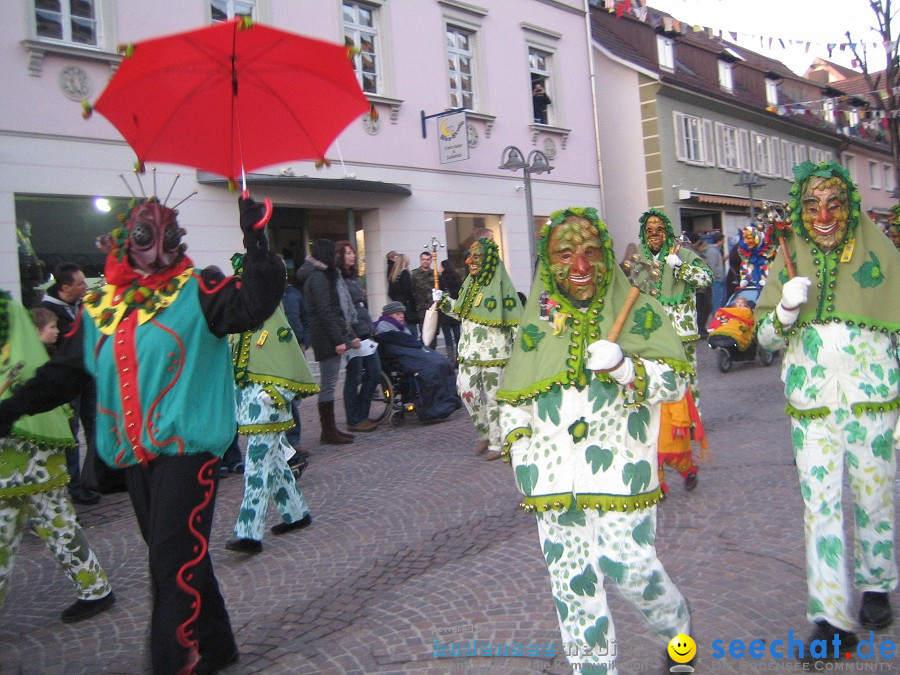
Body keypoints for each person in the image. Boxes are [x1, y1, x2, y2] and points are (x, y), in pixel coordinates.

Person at [0, 193, 284, 673]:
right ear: (125, 240)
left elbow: (253, 305)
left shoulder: (199, 289)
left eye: (169, 235)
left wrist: (257, 243)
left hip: (188, 451)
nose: (159, 248)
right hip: (135, 457)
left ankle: (175, 662)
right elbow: (64, 375)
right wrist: (8, 410)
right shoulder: (100, 308)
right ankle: (219, 646)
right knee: (177, 553)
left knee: (170, 564)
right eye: (145, 235)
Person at [496, 207, 691, 672]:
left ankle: (677, 629)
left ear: (604, 256)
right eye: (566, 255)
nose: (579, 268)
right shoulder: (538, 321)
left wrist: (629, 368)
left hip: (622, 465)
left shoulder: (638, 309)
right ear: (550, 262)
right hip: (551, 476)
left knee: (630, 565)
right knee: (572, 582)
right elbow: (512, 395)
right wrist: (521, 448)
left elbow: (677, 381)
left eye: (588, 254)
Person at [756, 160, 900, 659]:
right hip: (811, 406)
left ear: (849, 207)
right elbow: (764, 338)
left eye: (834, 204)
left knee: (875, 497)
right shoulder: (787, 255)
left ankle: (878, 584)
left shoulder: (880, 252)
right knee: (820, 509)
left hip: (875, 401)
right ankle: (831, 619)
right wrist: (784, 310)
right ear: (800, 209)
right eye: (813, 205)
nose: (823, 215)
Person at [0, 293, 115, 624]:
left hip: (23, 441)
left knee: (47, 520)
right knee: (46, 520)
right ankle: (95, 588)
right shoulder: (14, 318)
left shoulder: (9, 318)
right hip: (24, 442)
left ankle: (96, 589)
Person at [226, 255, 319, 554]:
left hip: (268, 403)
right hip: (251, 404)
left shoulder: (274, 321)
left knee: (256, 466)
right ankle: (296, 513)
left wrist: (278, 391)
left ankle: (249, 532)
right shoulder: (243, 321)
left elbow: (287, 359)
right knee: (274, 461)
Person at [635, 209, 711, 493]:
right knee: (653, 393)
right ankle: (658, 464)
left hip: (681, 334)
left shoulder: (684, 255)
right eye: (649, 232)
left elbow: (705, 280)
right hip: (651, 336)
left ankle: (687, 447)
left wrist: (680, 266)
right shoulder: (641, 261)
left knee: (684, 391)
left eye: (659, 231)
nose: (654, 237)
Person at [434, 237, 522, 460]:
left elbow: (515, 318)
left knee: (493, 398)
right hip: (469, 350)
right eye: (469, 256)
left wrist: (523, 350)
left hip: (496, 353)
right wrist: (443, 301)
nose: (469, 260)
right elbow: (461, 311)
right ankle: (483, 430)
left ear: (489, 259)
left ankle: (497, 441)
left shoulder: (501, 285)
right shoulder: (469, 284)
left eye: (476, 256)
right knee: (466, 391)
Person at [41, 262, 101, 506]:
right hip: (68, 382)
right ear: (65, 287)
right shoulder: (47, 311)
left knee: (95, 427)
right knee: (71, 435)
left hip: (88, 376)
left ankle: (94, 478)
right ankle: (74, 486)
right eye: (80, 284)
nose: (86, 286)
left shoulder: (81, 305)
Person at [296, 239, 359, 445]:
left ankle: (330, 429)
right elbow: (325, 311)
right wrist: (338, 340)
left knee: (329, 383)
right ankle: (328, 430)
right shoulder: (319, 277)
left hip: (325, 335)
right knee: (329, 384)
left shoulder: (317, 275)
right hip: (325, 337)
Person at [373, 301, 461, 422]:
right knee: (431, 369)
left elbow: (407, 341)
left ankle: (449, 402)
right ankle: (432, 409)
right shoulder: (383, 325)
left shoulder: (402, 326)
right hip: (400, 356)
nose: (401, 316)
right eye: (397, 313)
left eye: (402, 313)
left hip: (412, 351)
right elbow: (396, 342)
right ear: (389, 315)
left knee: (443, 363)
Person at [336, 240, 382, 433]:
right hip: (354, 333)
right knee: (354, 376)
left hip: (365, 330)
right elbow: (343, 309)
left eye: (353, 252)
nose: (352, 256)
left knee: (374, 372)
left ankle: (361, 414)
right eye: (348, 253)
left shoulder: (353, 278)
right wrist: (350, 335)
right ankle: (354, 418)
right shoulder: (338, 279)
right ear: (339, 256)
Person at [282, 273, 311, 459]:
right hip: (277, 350)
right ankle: (286, 443)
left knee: (294, 396)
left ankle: (293, 440)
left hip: (297, 347)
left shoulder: (294, 294)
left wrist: (305, 341)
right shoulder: (266, 294)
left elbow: (306, 318)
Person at [387, 253, 418, 340]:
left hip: (397, 306)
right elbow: (408, 290)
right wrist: (412, 304)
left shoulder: (393, 275)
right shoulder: (405, 273)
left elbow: (390, 293)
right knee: (412, 333)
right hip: (407, 306)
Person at [411, 251, 437, 348]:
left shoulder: (434, 274)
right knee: (424, 333)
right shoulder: (414, 274)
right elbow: (411, 291)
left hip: (433, 307)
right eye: (423, 259)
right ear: (420, 260)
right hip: (421, 308)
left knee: (434, 332)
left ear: (430, 261)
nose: (425, 261)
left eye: (427, 259)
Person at [438, 259, 462, 362]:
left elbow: (438, 294)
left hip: (445, 309)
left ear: (443, 267)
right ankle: (459, 356)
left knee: (447, 336)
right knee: (457, 335)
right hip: (455, 308)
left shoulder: (440, 279)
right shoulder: (457, 277)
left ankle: (451, 359)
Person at [704, 232, 727, 315]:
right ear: (720, 241)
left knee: (721, 300)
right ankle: (716, 318)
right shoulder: (713, 251)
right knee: (718, 300)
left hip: (720, 279)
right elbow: (713, 266)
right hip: (718, 280)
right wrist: (718, 276)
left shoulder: (716, 251)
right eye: (723, 240)